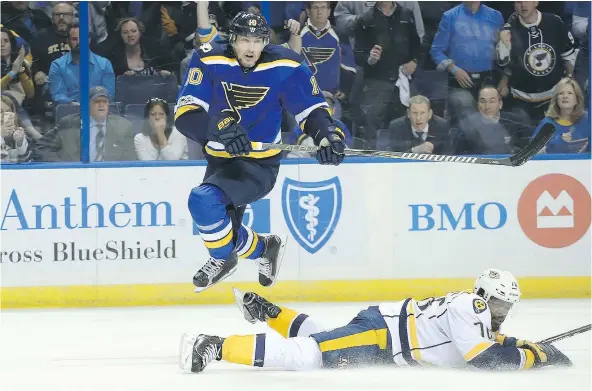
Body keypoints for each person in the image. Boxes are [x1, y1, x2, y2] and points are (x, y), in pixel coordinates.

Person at [174, 12, 346, 293]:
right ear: (232, 39)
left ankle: (222, 258)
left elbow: (312, 109)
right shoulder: (209, 58)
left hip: (258, 164)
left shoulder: (286, 63)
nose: (251, 48)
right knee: (223, 224)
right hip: (220, 161)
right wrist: (218, 129)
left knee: (203, 201)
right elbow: (185, 114)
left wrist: (327, 135)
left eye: (257, 41)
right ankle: (265, 247)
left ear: (266, 41)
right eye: (244, 40)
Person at [179, 268, 572, 373]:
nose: (501, 314)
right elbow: (483, 359)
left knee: (325, 339)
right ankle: (213, 344)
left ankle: (271, 312)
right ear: (486, 296)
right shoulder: (473, 307)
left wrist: (516, 344)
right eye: (500, 305)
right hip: (382, 337)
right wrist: (536, 356)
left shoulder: (472, 308)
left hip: (380, 332)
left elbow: (487, 344)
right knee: (309, 355)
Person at [49, 24, 115, 104]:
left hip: (98, 109)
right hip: (69, 111)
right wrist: (73, 104)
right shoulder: (57, 65)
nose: (79, 42)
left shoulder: (105, 64)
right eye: (74, 39)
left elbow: (109, 94)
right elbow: (58, 94)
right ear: (68, 41)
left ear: (89, 40)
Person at [533, 77, 590, 154]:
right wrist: (558, 141)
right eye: (561, 93)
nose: (565, 96)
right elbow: (532, 152)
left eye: (570, 93)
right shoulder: (547, 123)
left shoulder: (588, 119)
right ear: (556, 99)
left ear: (577, 99)